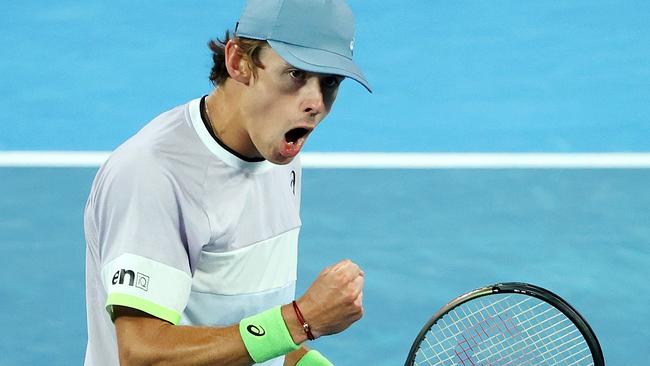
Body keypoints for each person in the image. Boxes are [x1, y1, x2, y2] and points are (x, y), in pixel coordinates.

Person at [83, 0, 371, 365]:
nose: (315, 102)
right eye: (296, 74)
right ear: (238, 62)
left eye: (329, 82)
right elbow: (142, 355)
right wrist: (301, 320)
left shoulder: (279, 151)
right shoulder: (152, 175)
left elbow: (257, 325)